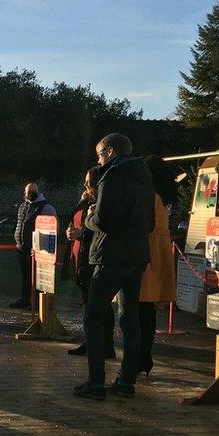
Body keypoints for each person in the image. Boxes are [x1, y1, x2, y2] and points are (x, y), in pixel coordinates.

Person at [74, 133, 155, 401]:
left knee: (93, 317)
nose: (97, 159)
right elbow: (150, 224)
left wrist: (88, 219)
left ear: (109, 151)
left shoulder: (113, 176)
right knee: (130, 318)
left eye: (99, 154)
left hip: (111, 257)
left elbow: (104, 221)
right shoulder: (144, 179)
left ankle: (96, 383)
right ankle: (126, 380)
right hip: (137, 257)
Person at [63, 167, 115, 359]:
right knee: (87, 303)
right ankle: (90, 341)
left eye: (88, 182)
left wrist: (81, 234)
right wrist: (71, 231)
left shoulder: (104, 203)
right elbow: (75, 217)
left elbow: (99, 228)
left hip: (93, 258)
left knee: (100, 305)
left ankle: (105, 345)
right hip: (79, 256)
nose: (85, 185)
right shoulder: (87, 200)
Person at [138, 156, 178, 377]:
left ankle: (141, 357)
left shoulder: (150, 197)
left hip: (146, 257)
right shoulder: (163, 199)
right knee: (148, 313)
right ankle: (145, 357)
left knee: (139, 312)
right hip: (158, 255)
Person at [10, 182, 57, 309]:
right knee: (25, 276)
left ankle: (37, 302)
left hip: (37, 250)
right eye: (28, 191)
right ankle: (25, 299)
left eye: (33, 191)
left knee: (38, 277)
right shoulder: (23, 206)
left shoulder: (46, 207)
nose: (30, 194)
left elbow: (51, 228)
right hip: (21, 247)